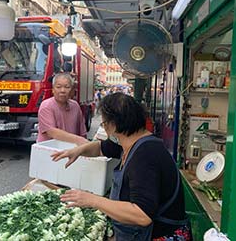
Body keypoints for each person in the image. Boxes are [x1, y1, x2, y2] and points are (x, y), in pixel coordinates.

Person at [52, 92, 192, 241]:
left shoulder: (145, 155)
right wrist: (78, 151)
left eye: (104, 123)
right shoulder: (128, 142)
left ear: (114, 125)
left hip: (159, 235)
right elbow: (100, 148)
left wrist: (92, 200)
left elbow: (142, 215)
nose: (104, 128)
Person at [37, 73, 88, 145]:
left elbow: (82, 131)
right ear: (53, 90)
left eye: (67, 87)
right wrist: (79, 140)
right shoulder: (46, 106)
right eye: (58, 87)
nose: (63, 90)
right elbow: (52, 132)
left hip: (71, 150)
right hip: (49, 150)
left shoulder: (75, 106)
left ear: (72, 90)